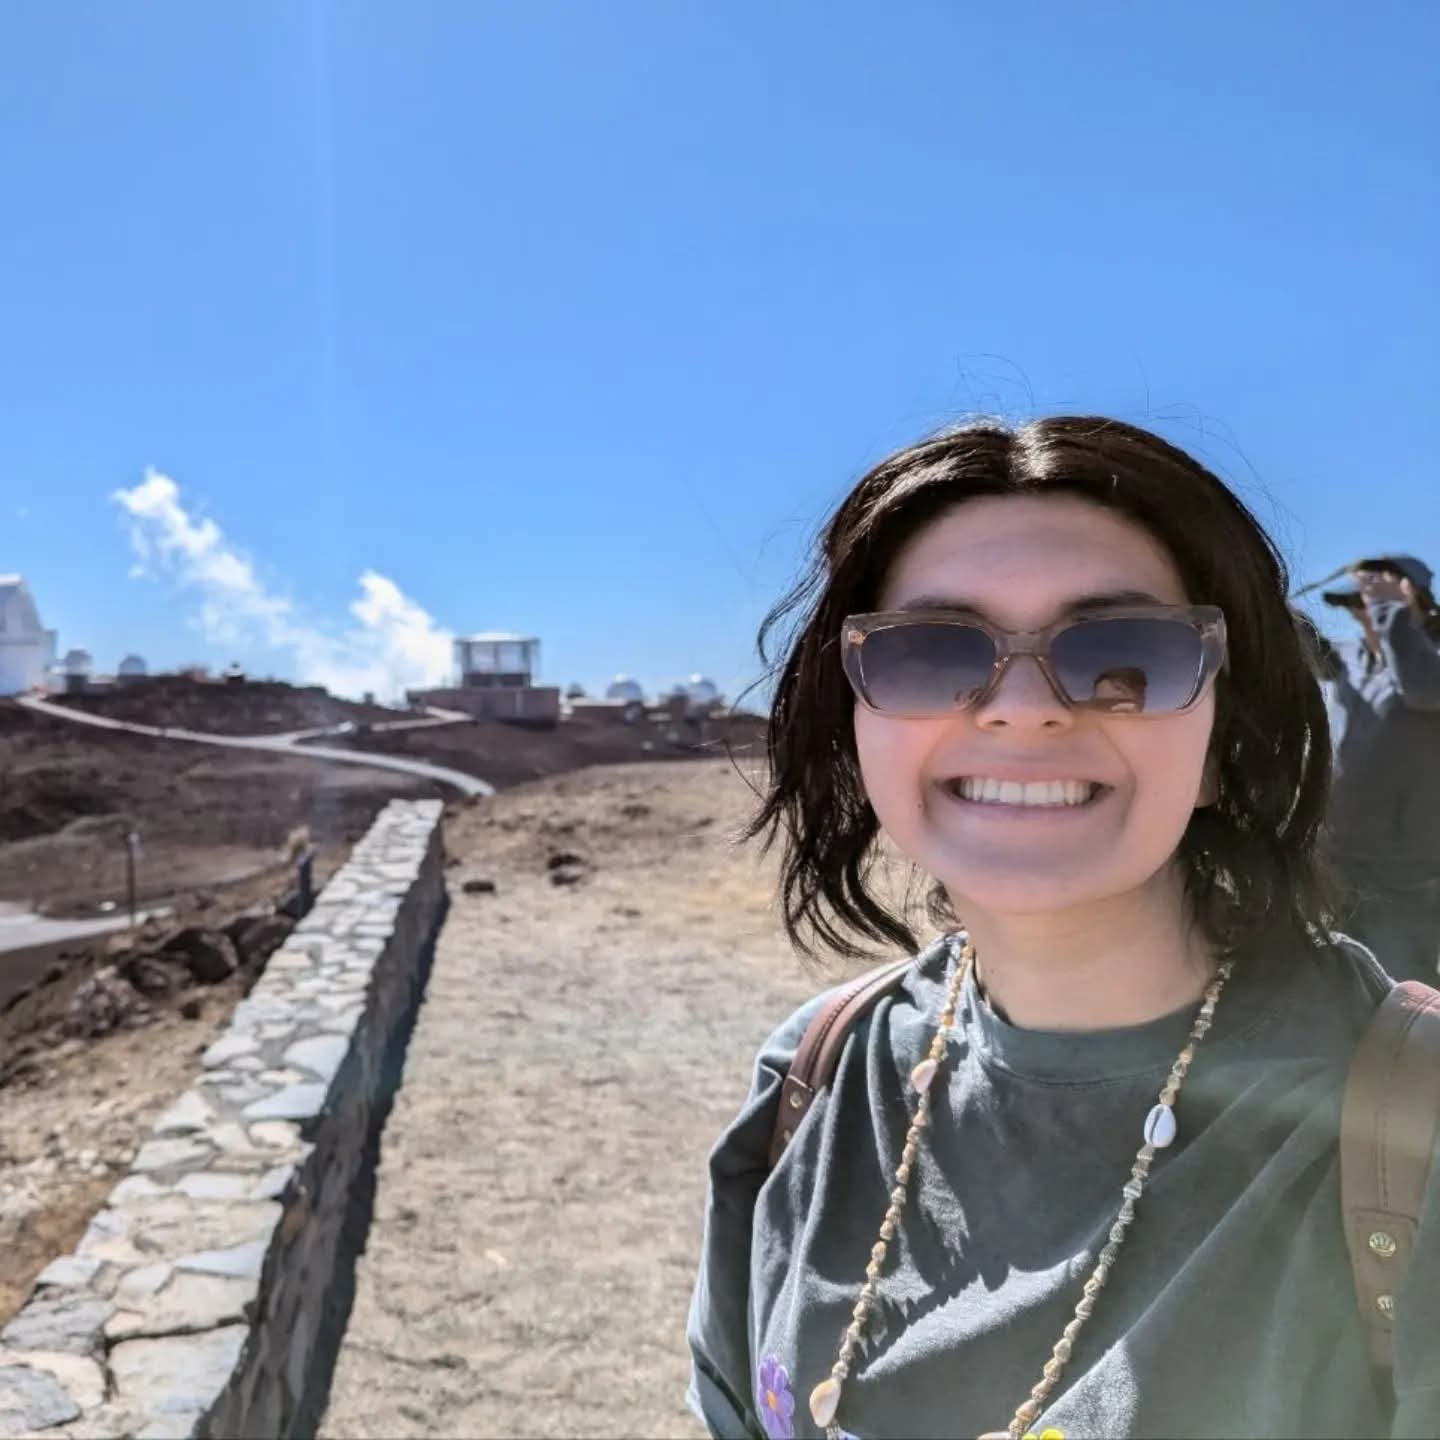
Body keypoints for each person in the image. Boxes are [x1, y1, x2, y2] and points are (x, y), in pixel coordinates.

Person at [686, 417, 1440, 1439]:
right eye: (931, 656)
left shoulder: (1409, 1136)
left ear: (1224, 739)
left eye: (1126, 658)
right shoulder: (813, 1077)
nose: (1023, 708)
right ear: (856, 728)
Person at [1318, 556, 1440, 983]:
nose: (1363, 611)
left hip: (1407, 876)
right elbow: (1283, 641)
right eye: (1358, 603)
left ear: (1416, 600)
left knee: (1400, 992)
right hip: (1335, 862)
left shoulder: (1431, 659)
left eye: (1371, 602)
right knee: (1337, 984)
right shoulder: (1346, 658)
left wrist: (1392, 608)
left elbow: (1423, 689)